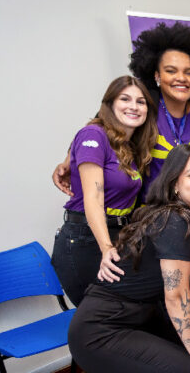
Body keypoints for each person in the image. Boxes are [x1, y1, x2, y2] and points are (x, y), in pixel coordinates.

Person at [68, 144, 190, 373]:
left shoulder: (187, 216)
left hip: (138, 318)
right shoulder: (174, 221)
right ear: (174, 185)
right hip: (101, 331)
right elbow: (176, 295)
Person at [53, 22, 190, 198]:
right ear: (157, 75)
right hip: (146, 214)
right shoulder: (143, 103)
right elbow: (101, 125)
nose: (181, 78)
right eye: (171, 71)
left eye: (189, 73)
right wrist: (67, 162)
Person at [51, 75, 158, 306]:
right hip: (85, 241)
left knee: (127, 312)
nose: (134, 106)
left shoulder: (128, 146)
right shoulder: (93, 134)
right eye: (125, 99)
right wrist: (106, 247)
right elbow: (94, 196)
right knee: (100, 320)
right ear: (109, 104)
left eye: (141, 102)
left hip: (117, 235)